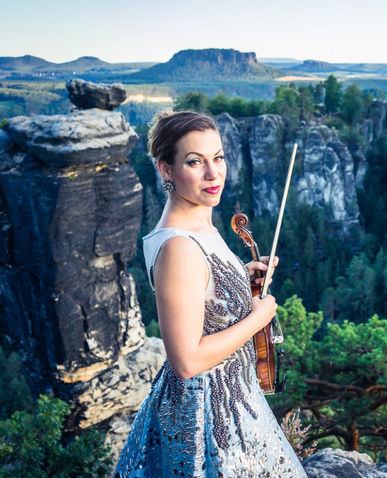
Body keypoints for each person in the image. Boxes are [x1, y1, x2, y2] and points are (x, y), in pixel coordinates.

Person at [114, 111, 306, 477]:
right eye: (194, 162)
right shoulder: (178, 248)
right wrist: (257, 319)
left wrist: (239, 277)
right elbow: (187, 362)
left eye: (218, 157)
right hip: (207, 420)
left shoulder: (200, 221)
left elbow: (201, 293)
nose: (213, 173)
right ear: (166, 169)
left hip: (235, 401)